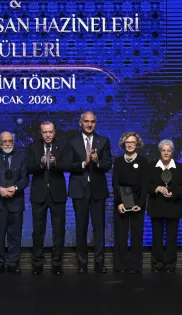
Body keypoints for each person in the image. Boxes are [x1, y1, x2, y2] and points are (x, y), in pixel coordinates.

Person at [66, 110, 113, 273]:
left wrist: (97, 161)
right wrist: (84, 163)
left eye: (92, 121)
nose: (89, 124)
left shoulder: (103, 141)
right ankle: (82, 263)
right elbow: (67, 165)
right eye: (86, 121)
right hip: (79, 190)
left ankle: (99, 262)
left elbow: (108, 164)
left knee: (99, 228)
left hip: (98, 191)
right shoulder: (72, 141)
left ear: (95, 123)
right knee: (81, 227)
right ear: (80, 123)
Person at [25, 121, 69, 275]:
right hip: (39, 195)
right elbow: (27, 168)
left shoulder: (62, 146)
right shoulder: (33, 147)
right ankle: (37, 264)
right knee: (38, 231)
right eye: (45, 132)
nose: (48, 135)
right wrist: (41, 164)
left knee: (59, 231)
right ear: (41, 133)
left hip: (58, 194)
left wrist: (55, 163)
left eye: (50, 132)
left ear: (54, 132)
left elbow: (68, 165)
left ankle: (57, 264)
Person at [0, 131, 28, 274]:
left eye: (10, 141)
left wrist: (15, 188)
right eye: (5, 141)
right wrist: (0, 189)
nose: (8, 144)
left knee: (15, 235)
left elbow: (25, 179)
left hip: (15, 201)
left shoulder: (21, 157)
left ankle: (13, 263)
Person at [147, 139, 182, 272]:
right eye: (163, 150)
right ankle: (157, 264)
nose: (166, 153)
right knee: (157, 237)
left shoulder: (179, 167)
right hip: (156, 206)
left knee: (172, 238)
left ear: (172, 152)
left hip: (173, 206)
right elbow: (146, 184)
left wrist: (173, 193)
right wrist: (157, 188)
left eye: (168, 150)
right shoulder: (151, 166)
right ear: (160, 152)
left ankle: (170, 264)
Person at [112, 131, 149, 273]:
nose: (130, 145)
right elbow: (115, 183)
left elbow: (145, 184)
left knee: (136, 234)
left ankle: (135, 266)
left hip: (138, 202)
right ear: (123, 144)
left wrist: (140, 204)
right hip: (121, 201)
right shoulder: (118, 161)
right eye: (127, 142)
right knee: (121, 235)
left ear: (137, 144)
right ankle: (121, 265)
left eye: (132, 142)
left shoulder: (143, 161)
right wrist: (119, 203)